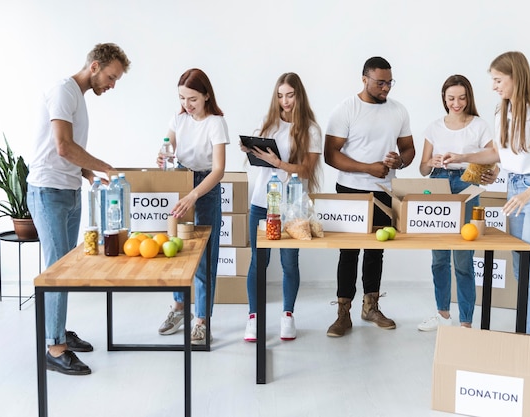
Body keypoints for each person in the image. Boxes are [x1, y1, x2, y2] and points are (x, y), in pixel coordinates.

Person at [443, 51, 530, 369]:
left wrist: (529, 193)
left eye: (499, 80)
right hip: (515, 189)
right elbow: (497, 154)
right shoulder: (503, 112)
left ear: (516, 77)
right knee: (520, 271)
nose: (494, 86)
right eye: (493, 81)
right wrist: (459, 157)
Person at [27, 43, 131, 375]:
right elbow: (63, 146)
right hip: (48, 192)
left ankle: (58, 331)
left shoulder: (77, 96)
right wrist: (104, 168)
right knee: (57, 271)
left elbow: (65, 153)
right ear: (95, 66)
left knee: (66, 268)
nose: (112, 86)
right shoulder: (63, 91)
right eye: (111, 78)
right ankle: (54, 348)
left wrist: (86, 175)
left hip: (68, 191)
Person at [324, 56, 415, 337]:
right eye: (380, 83)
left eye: (389, 82)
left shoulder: (399, 111)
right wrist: (368, 168)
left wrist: (399, 162)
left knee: (377, 250)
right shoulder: (346, 109)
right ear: (364, 79)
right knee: (349, 251)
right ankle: (343, 312)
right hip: (350, 190)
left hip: (385, 191)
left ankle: (371, 307)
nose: (386, 88)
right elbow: (330, 155)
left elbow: (409, 149)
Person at [241, 72, 322, 342]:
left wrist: (277, 163)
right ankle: (254, 318)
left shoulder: (311, 130)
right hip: (261, 203)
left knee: (289, 262)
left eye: (289, 95)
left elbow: (306, 171)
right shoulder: (268, 126)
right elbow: (263, 162)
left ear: (299, 95)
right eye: (280, 96)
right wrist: (251, 151)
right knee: (258, 262)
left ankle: (288, 315)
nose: (284, 101)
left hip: (291, 206)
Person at [156, 68, 229, 345]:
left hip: (206, 187)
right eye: (182, 98)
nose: (187, 104)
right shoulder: (178, 118)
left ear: (207, 95)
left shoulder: (216, 123)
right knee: (177, 251)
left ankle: (201, 321)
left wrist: (194, 195)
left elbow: (219, 170)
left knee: (205, 259)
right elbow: (167, 148)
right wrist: (162, 156)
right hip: (182, 179)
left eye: (193, 99)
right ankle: (178, 307)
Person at [417, 74, 494, 331]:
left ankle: (466, 323)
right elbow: (422, 168)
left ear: (468, 97)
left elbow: (492, 159)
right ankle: (442, 315)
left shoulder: (480, 125)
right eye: (451, 98)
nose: (456, 103)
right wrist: (433, 162)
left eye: (461, 98)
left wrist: (487, 172)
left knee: (463, 258)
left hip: (467, 185)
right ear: (444, 99)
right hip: (438, 184)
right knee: (439, 257)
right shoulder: (434, 127)